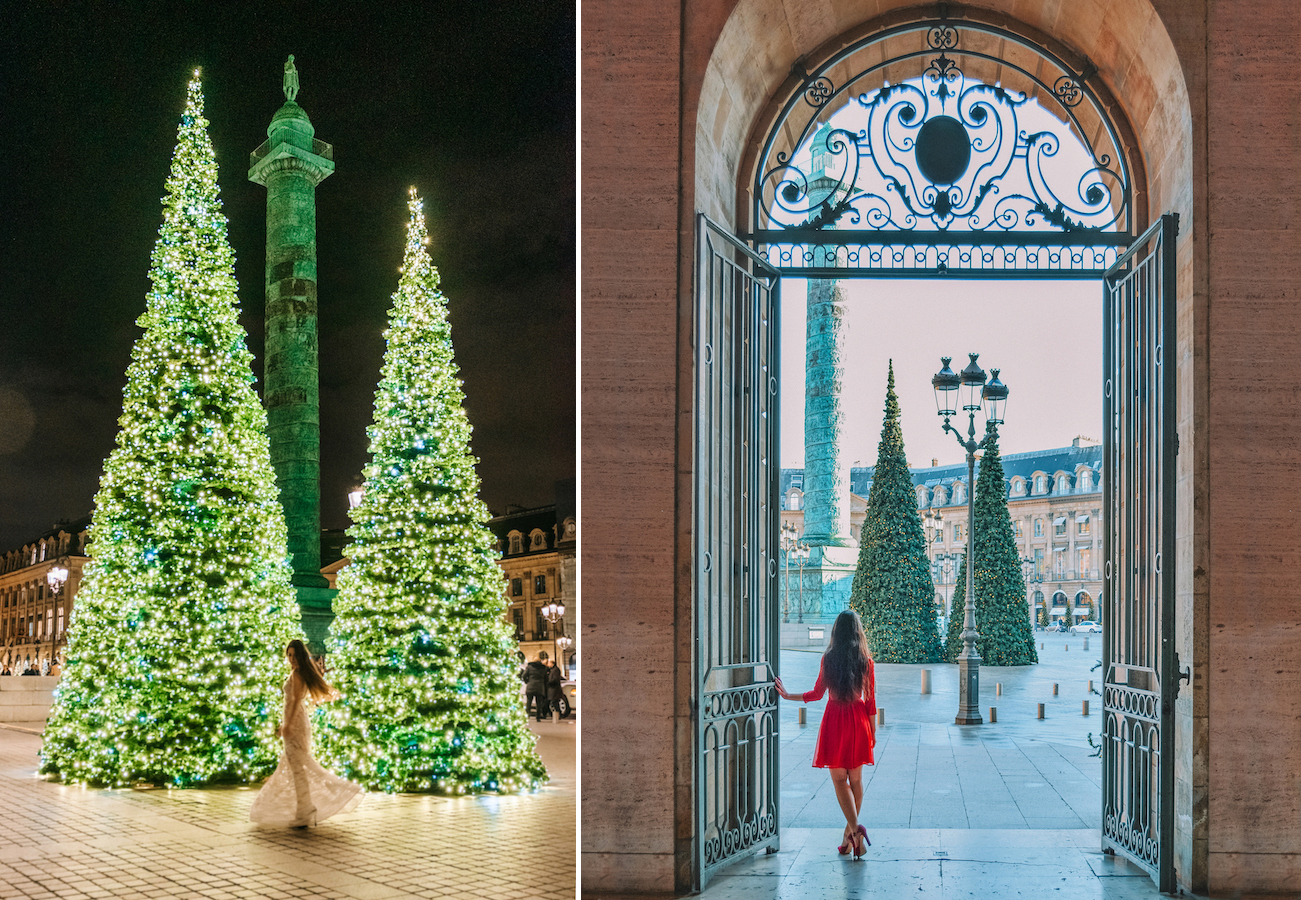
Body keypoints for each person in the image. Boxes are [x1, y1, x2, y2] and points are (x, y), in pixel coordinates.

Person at [775, 609, 876, 859]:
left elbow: (817, 693)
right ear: (858, 631)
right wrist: (871, 732)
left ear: (836, 632)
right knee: (856, 781)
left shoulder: (828, 658)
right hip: (859, 719)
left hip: (835, 720)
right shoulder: (866, 661)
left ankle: (854, 831)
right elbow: (871, 701)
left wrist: (789, 695)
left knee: (840, 781)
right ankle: (850, 836)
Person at [249, 639, 363, 828]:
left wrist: (288, 725)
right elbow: (296, 702)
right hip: (296, 722)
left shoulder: (297, 674)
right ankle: (305, 808)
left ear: (301, 656)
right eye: (289, 655)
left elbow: (294, 702)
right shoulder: (299, 673)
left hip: (295, 725)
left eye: (294, 655)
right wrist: (284, 724)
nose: (291, 659)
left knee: (299, 767)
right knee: (298, 768)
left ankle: (312, 805)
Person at [523, 652, 550, 722]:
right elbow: (546, 678)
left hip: (531, 686)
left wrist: (527, 681)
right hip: (540, 687)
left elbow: (524, 675)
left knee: (529, 702)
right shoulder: (543, 668)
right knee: (539, 704)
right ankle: (538, 717)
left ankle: (527, 716)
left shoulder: (529, 667)